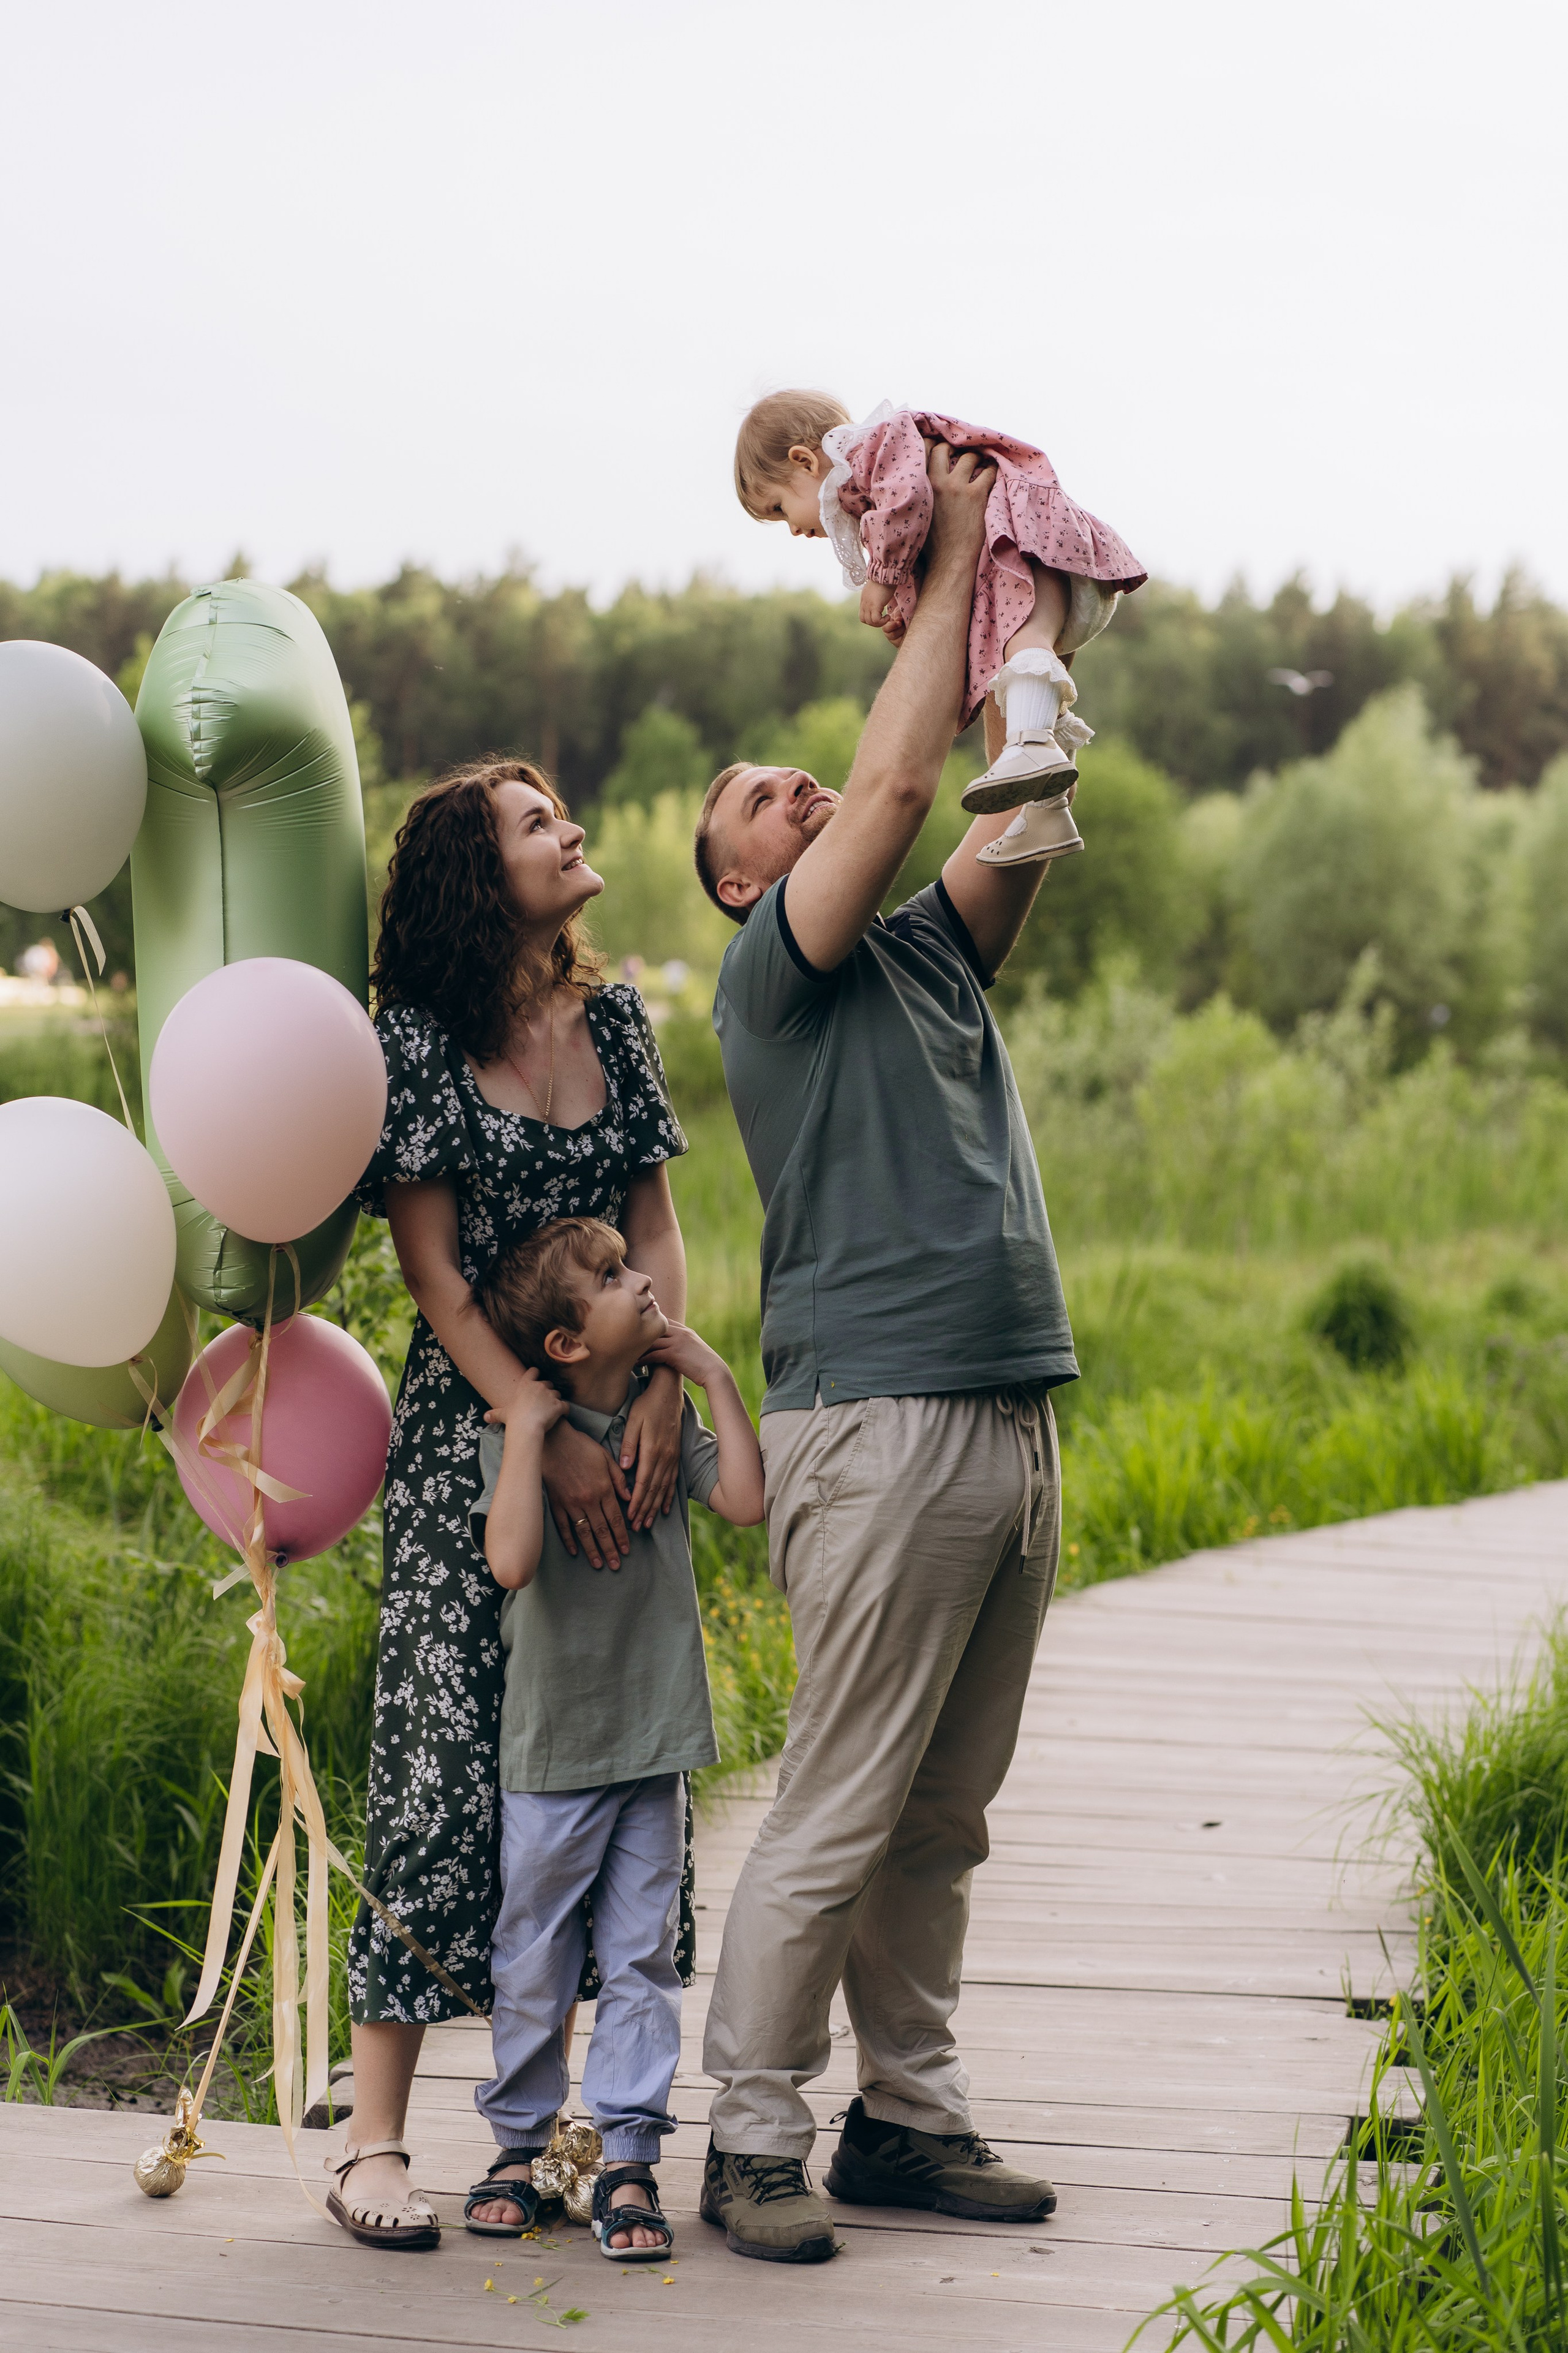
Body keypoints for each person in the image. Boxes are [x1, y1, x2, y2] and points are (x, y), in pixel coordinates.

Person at [691, 440, 1075, 2263]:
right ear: (741, 884)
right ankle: (746, 2137)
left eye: (795, 774)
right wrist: (946, 549)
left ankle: (904, 2119)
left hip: (1003, 1409)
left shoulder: (926, 954)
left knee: (940, 1816)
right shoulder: (772, 975)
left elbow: (1017, 807)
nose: (801, 784)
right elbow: (907, 776)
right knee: (843, 1799)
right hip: (874, 1419)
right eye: (762, 802)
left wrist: (1019, 606)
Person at [326, 760, 693, 2252]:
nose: (571, 828)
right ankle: (373, 2142)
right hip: (471, 1444)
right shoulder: (416, 1042)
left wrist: (657, 1389)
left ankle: (577, 2128)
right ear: (482, 877)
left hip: (622, 1424)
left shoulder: (618, 1019)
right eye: (538, 822)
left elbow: (657, 1224)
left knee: (605, 1756)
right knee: (440, 1769)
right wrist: (538, 1437)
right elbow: (431, 1275)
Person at [460, 1216, 764, 2259]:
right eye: (610, 1274)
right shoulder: (519, 1436)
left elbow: (746, 1500)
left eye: (631, 1263)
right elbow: (510, 1562)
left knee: (643, 1955)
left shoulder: (658, 1422)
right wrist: (529, 1434)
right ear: (565, 1343)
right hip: (553, 1753)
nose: (642, 1279)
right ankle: (520, 2145)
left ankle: (627, 2156)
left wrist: (711, 1373)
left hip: (654, 1743)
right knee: (533, 1954)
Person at [734, 390, 1145, 866]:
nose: (790, 529)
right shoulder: (867, 500)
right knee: (1009, 716)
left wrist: (882, 577)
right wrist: (909, 623)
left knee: (1024, 657)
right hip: (1028, 571)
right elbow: (937, 556)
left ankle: (1034, 746)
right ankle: (1046, 814)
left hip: (1032, 553)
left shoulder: (877, 446)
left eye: (780, 508)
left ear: (804, 462)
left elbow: (908, 501)